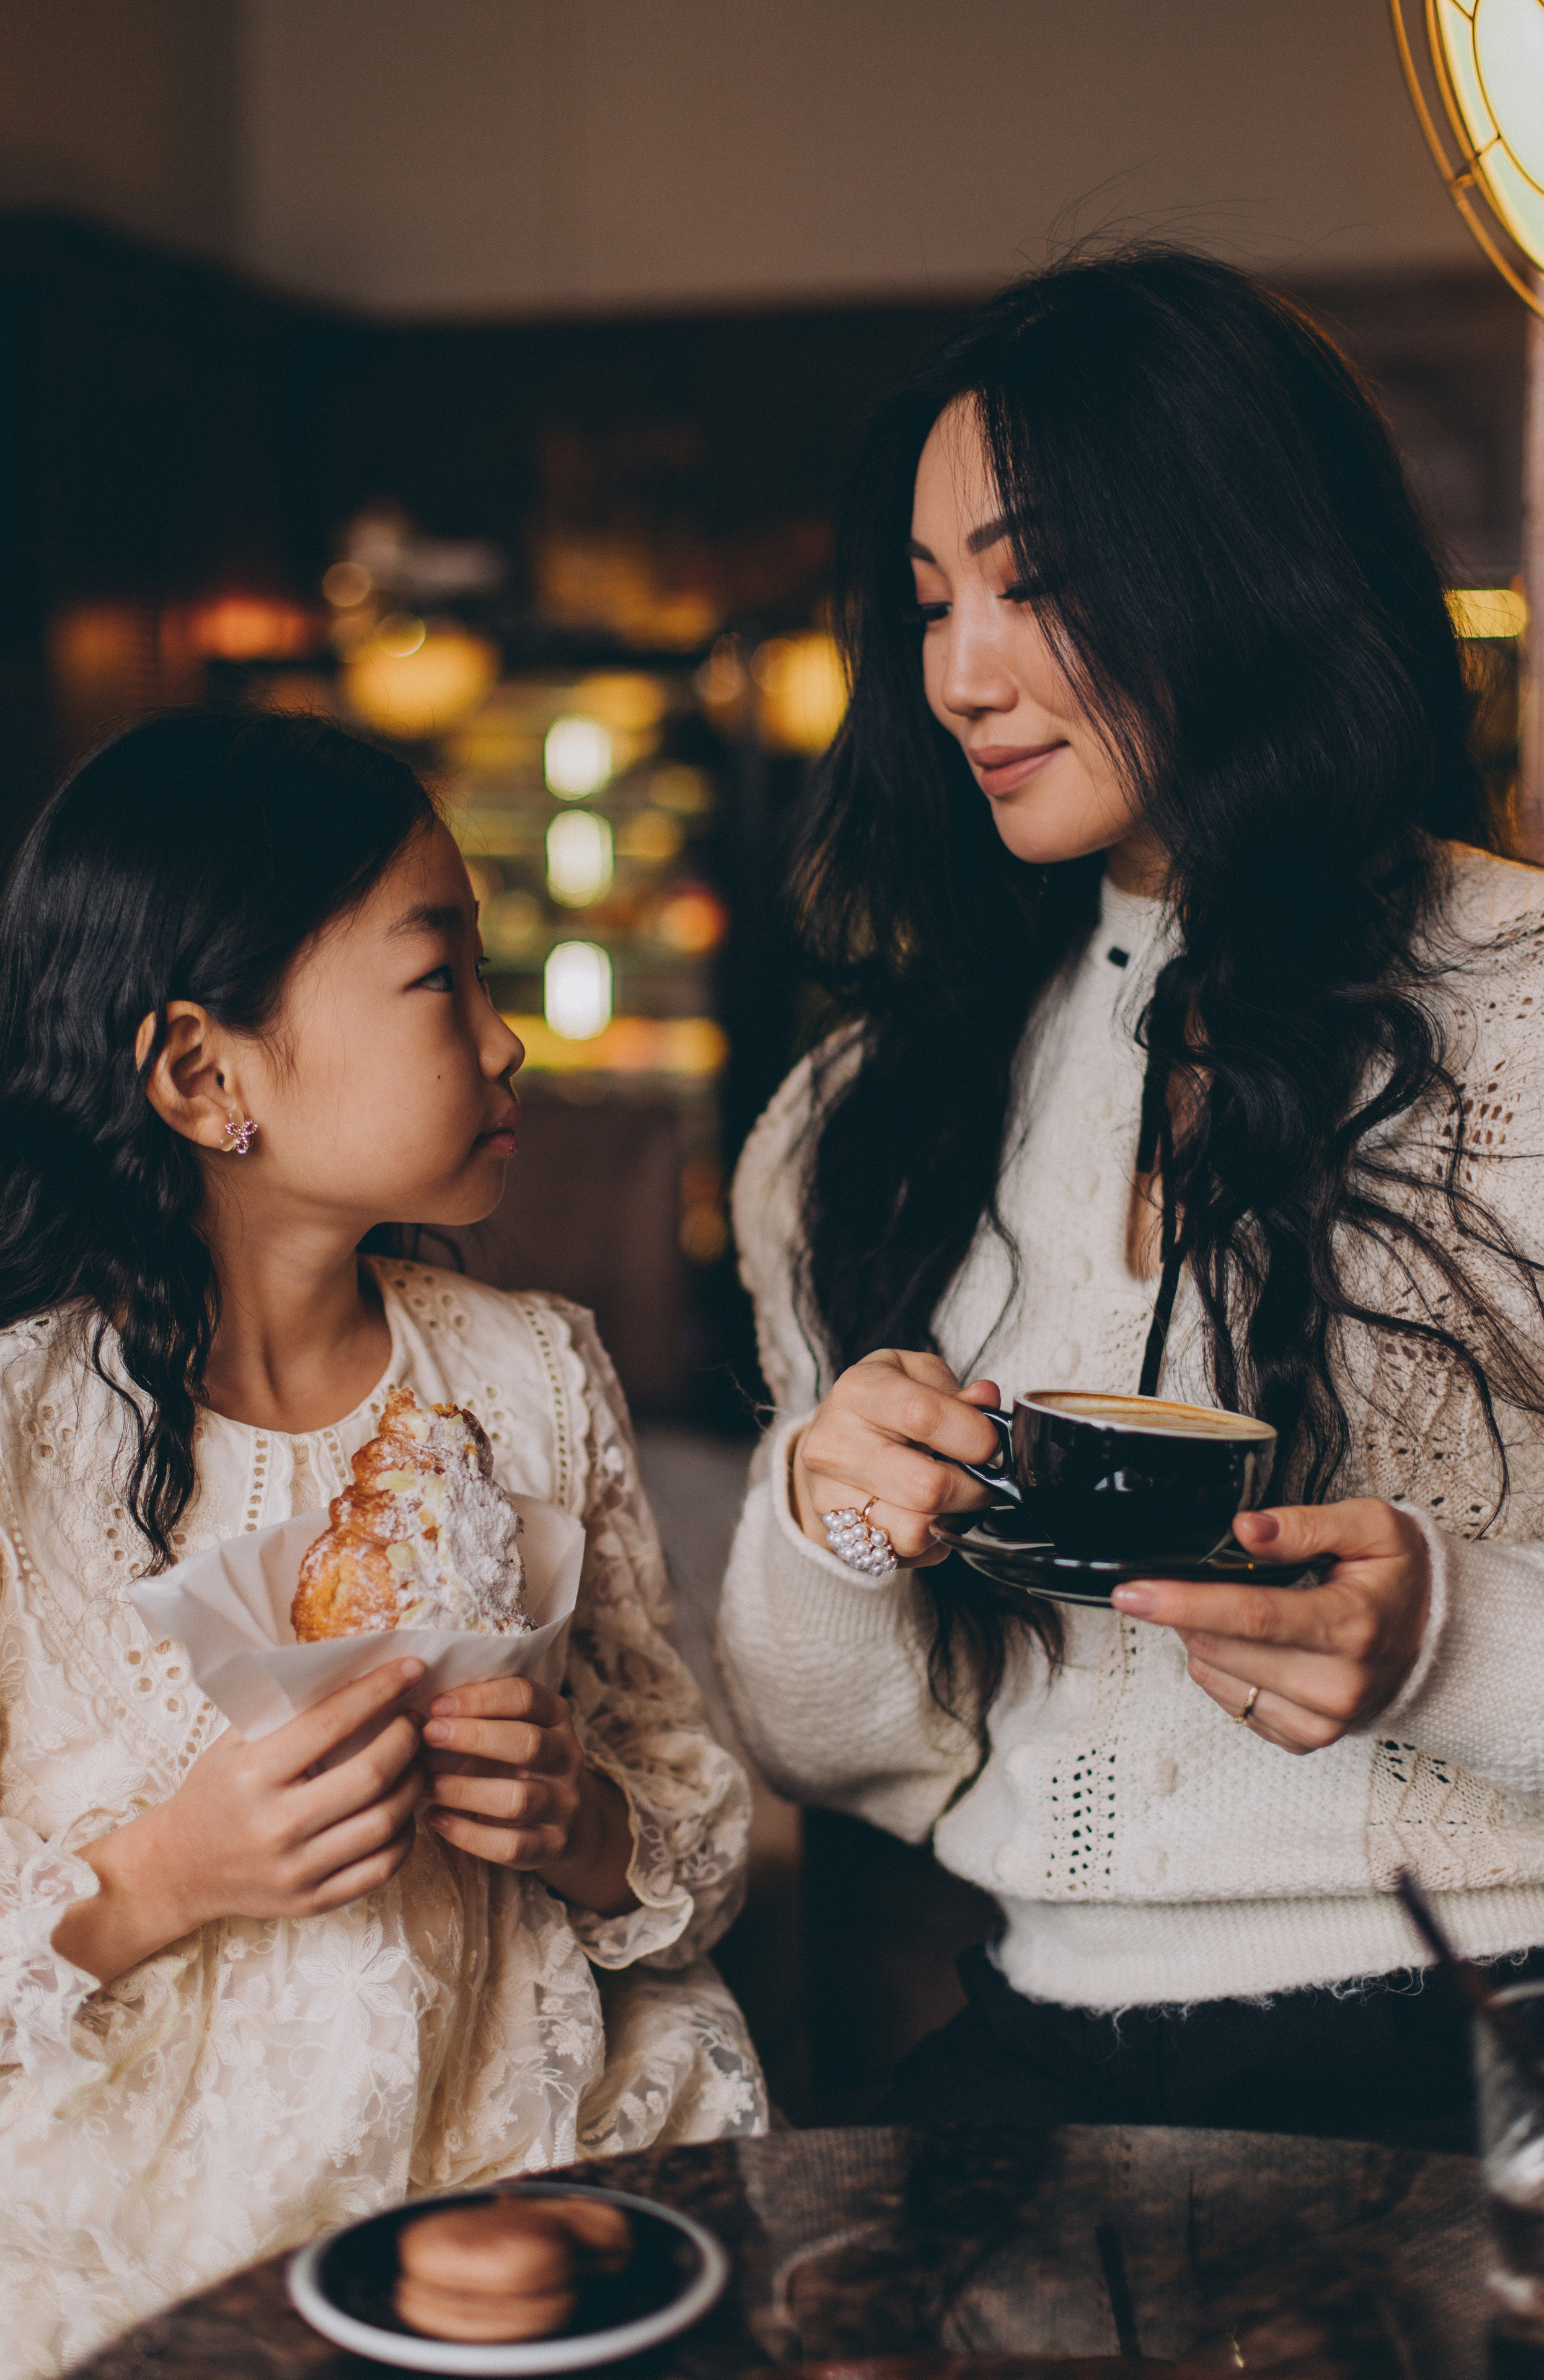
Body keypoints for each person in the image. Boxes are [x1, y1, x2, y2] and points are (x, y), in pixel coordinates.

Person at [718, 246, 1544, 2148]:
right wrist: (834, 1518)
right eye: (927, 604)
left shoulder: (1515, 1007)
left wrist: (1450, 1642)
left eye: (1037, 585)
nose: (957, 674)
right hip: (1045, 2058)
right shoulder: (863, 1114)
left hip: (1489, 2045)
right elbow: (835, 1748)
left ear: (1248, 566)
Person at [0, 713, 764, 2380]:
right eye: (440, 979)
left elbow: (689, 1856)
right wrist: (165, 1874)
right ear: (204, 1073)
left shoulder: (534, 1374)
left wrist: (583, 1825)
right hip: (156, 2282)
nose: (508, 1038)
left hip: (535, 2227)